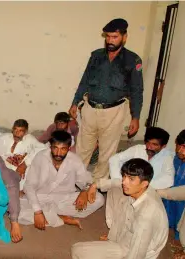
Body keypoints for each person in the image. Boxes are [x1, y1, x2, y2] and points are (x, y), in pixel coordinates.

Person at [68, 18, 144, 182]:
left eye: (114, 37)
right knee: (83, 149)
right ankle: (76, 182)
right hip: (90, 108)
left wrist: (135, 117)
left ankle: (97, 184)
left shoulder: (133, 60)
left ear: (124, 37)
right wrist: (75, 102)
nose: (110, 40)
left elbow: (137, 91)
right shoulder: (96, 56)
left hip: (114, 112)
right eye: (108, 37)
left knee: (107, 152)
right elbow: (85, 80)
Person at [71, 158, 168, 259]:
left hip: (134, 249)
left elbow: (138, 252)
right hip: (129, 233)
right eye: (124, 176)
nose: (124, 182)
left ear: (144, 183)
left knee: (78, 250)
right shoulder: (145, 188)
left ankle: (115, 245)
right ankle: (114, 238)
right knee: (114, 189)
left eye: (131, 179)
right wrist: (95, 185)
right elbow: (116, 182)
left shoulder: (146, 215)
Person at [20, 131, 104, 229]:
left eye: (63, 149)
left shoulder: (74, 160)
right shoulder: (40, 157)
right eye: (55, 148)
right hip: (41, 198)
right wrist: (37, 211)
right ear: (50, 147)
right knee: (14, 208)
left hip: (64, 199)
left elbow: (86, 180)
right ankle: (61, 218)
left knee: (99, 199)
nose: (58, 153)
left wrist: (84, 191)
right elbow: (29, 185)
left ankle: (49, 215)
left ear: (69, 148)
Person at [109, 127, 175, 189]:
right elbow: (114, 159)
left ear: (163, 146)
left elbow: (168, 180)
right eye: (148, 143)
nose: (149, 147)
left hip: (150, 191)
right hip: (128, 187)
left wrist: (140, 186)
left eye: (154, 144)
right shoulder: (138, 149)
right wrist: (120, 181)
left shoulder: (168, 156)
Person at [0, 119, 46, 190]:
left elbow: (43, 148)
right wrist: (15, 168)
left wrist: (25, 163)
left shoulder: (29, 139)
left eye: (21, 131)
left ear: (25, 132)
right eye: (15, 129)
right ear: (12, 129)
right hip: (4, 168)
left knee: (32, 162)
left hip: (22, 171)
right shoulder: (3, 138)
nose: (17, 133)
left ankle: (21, 189)